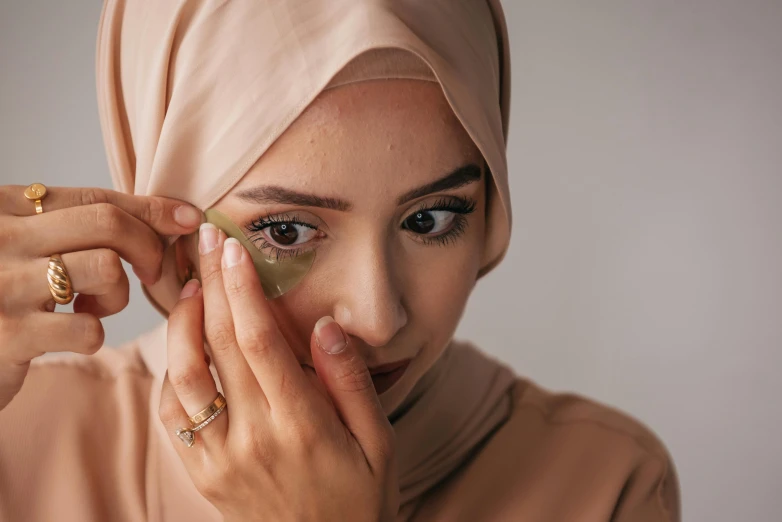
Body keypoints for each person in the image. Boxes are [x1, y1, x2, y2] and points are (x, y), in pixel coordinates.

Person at [0, 1, 680, 521]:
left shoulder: (603, 486)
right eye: (288, 231)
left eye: (431, 219)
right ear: (173, 228)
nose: (378, 319)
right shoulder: (22, 440)